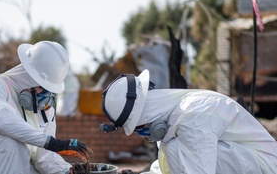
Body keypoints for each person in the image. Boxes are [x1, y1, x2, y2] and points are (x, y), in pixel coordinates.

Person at [0, 41, 92, 174]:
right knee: (9, 143)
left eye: (49, 90)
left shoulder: (44, 110)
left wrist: (67, 171)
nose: (45, 96)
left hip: (6, 166)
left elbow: (44, 157)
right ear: (28, 77)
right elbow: (2, 121)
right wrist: (52, 143)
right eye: (43, 87)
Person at [100, 69, 277, 174]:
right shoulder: (174, 119)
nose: (143, 134)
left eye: (139, 129)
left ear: (145, 118)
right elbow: (165, 169)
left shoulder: (193, 116)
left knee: (176, 149)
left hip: (267, 168)